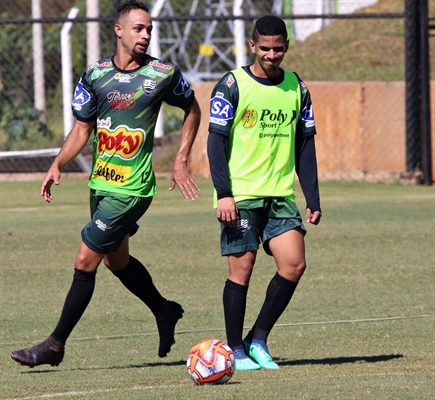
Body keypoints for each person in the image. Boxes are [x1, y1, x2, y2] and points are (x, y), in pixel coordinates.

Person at [11, 0, 201, 368]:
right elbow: (82, 129)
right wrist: (57, 164)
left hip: (132, 189)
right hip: (101, 184)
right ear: (118, 30)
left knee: (86, 259)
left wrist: (180, 161)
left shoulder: (163, 73)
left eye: (149, 29)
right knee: (117, 260)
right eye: (138, 28)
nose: (146, 35)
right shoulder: (95, 75)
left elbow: (192, 108)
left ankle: (54, 345)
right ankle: (164, 310)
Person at [207, 15, 322, 371]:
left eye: (278, 48)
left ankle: (257, 340)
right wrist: (224, 193)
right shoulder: (231, 84)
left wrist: (312, 198)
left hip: (279, 195)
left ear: (286, 46)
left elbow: (305, 146)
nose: (272, 55)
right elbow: (215, 143)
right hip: (239, 196)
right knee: (242, 270)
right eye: (265, 48)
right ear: (253, 46)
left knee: (294, 264)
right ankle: (233, 350)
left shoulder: (297, 88)